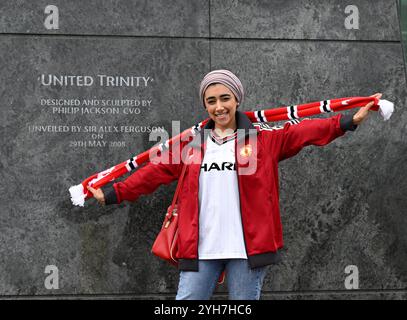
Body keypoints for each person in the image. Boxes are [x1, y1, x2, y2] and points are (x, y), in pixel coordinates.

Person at [87, 69, 381, 300]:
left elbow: (301, 131)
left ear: (237, 99)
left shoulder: (263, 139)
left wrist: (346, 122)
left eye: (225, 98)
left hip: (247, 252)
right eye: (211, 101)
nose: (219, 107)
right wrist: (115, 192)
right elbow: (155, 171)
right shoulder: (193, 144)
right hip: (200, 249)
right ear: (205, 105)